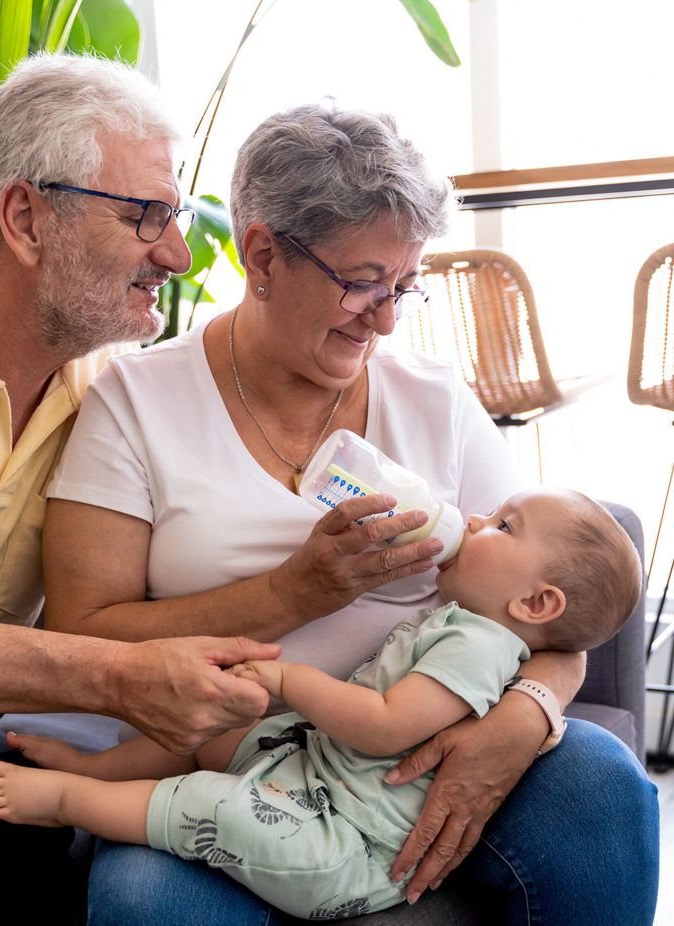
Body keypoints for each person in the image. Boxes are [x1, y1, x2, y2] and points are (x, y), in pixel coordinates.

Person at [38, 103, 659, 924]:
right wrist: (292, 595)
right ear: (261, 254)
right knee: (148, 902)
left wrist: (521, 720)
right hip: (230, 764)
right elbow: (81, 638)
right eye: (364, 284)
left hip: (405, 768)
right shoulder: (137, 401)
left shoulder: (432, 400)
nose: (389, 317)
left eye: (406, 287)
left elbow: (558, 612)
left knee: (603, 789)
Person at [0, 53, 282, 925]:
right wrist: (112, 676)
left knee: (5, 815)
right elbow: (111, 659)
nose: (181, 254)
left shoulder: (105, 389)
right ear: (27, 218)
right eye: (147, 214)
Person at [0, 486, 644, 920]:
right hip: (319, 763)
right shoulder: (467, 620)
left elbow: (385, 728)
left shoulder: (480, 645)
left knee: (207, 804)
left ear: (534, 603)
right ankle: (95, 765)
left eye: (502, 525)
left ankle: (64, 799)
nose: (472, 519)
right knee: (209, 729)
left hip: (341, 833)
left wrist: (289, 681)